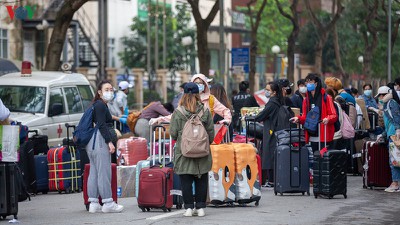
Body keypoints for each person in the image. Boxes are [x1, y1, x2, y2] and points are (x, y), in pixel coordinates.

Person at [169, 82, 214, 217]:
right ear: (198, 94)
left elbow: (173, 133)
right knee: (202, 178)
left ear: (183, 94)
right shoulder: (205, 111)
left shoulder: (178, 112)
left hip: (184, 151)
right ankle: (200, 207)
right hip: (202, 151)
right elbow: (211, 133)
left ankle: (188, 207)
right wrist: (203, 143)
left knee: (186, 178)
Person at [86, 80, 123, 213]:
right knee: (104, 173)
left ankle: (94, 203)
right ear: (99, 92)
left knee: (94, 173)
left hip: (92, 143)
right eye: (107, 89)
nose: (110, 92)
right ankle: (108, 202)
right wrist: (109, 142)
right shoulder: (101, 105)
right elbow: (101, 124)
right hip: (100, 141)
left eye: (111, 89)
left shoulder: (96, 105)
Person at [151, 74, 232, 126]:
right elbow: (176, 115)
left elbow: (225, 111)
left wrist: (227, 120)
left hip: (205, 137)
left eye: (201, 83)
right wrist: (160, 119)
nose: (198, 85)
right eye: (196, 83)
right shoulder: (186, 99)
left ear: (205, 84)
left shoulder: (211, 99)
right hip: (189, 137)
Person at [291, 73, 337, 154]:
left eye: (310, 82)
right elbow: (305, 116)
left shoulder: (326, 98)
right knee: (314, 158)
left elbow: (334, 115)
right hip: (311, 134)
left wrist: (327, 119)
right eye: (307, 82)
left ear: (316, 83)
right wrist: (298, 118)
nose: (308, 84)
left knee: (323, 159)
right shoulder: (306, 100)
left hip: (324, 135)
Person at [254, 81, 283, 187]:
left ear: (274, 92)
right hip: (274, 130)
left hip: (270, 131)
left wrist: (254, 118)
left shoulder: (272, 103)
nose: (266, 91)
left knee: (269, 154)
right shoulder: (277, 101)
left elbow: (262, 115)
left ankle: (271, 180)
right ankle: (271, 180)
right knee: (271, 154)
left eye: (268, 90)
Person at [375, 86, 400, 192]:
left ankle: (395, 183)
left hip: (395, 136)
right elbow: (388, 123)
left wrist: (398, 129)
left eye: (380, 95)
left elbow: (397, 117)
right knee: (396, 160)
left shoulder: (391, 103)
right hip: (392, 135)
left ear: (383, 95)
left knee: (394, 160)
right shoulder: (387, 104)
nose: (379, 98)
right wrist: (383, 135)